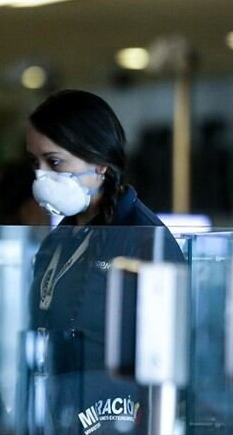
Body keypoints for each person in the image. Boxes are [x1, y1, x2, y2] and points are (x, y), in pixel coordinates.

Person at [25, 89, 186, 434]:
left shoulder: (145, 241)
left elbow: (172, 362)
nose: (41, 176)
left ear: (100, 164)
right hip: (58, 417)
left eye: (54, 162)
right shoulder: (56, 243)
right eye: (35, 163)